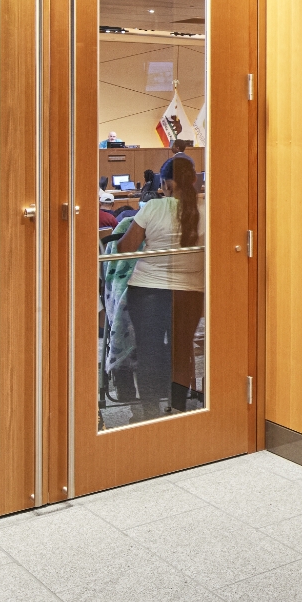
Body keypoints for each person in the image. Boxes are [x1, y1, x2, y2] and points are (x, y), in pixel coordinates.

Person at [115, 154, 205, 415]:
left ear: (166, 184)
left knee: (149, 351)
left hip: (147, 291)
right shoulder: (207, 210)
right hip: (190, 292)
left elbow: (126, 248)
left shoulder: (153, 208)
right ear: (194, 181)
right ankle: (177, 408)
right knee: (182, 350)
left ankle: (151, 411)